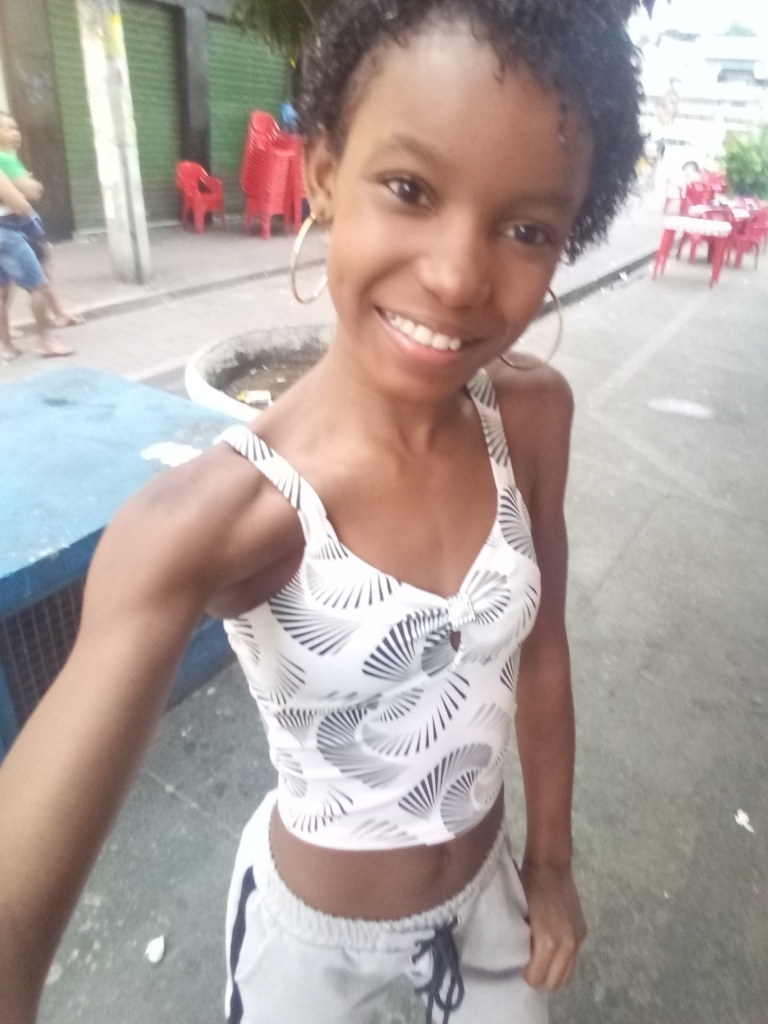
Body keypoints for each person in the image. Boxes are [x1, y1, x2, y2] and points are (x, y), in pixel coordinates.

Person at [0, 1, 643, 1022]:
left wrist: (551, 863)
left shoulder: (528, 418)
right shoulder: (217, 517)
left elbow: (543, 649)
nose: (457, 277)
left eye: (527, 229)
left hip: (488, 908)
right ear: (324, 173)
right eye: (410, 188)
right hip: (310, 951)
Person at [0, 111, 77, 358]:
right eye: (8, 128)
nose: (15, 133)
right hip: (9, 232)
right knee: (38, 287)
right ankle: (46, 342)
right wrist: (27, 191)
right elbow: (22, 204)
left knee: (2, 291)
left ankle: (6, 346)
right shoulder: (3, 162)